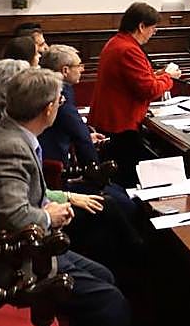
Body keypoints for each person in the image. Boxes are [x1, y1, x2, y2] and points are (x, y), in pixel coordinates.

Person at [0, 68, 130, 326]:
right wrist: (48, 216)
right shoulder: (10, 147)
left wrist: (60, 201)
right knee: (111, 301)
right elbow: (13, 216)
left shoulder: (10, 134)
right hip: (16, 264)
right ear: (49, 108)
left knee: (104, 274)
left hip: (36, 247)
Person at [39, 45, 144, 273]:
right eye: (79, 65)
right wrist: (96, 171)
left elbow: (76, 130)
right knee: (119, 200)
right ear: (65, 70)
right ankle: (134, 258)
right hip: (59, 177)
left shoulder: (56, 90)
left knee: (119, 195)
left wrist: (86, 135)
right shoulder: (60, 93)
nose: (83, 69)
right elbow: (78, 136)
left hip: (62, 172)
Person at [87, 2, 181, 186]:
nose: (153, 33)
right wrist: (169, 77)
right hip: (120, 123)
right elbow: (149, 90)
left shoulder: (117, 42)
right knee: (130, 176)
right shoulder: (129, 50)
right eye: (153, 28)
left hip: (113, 119)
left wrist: (160, 75)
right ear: (141, 26)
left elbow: (135, 80)